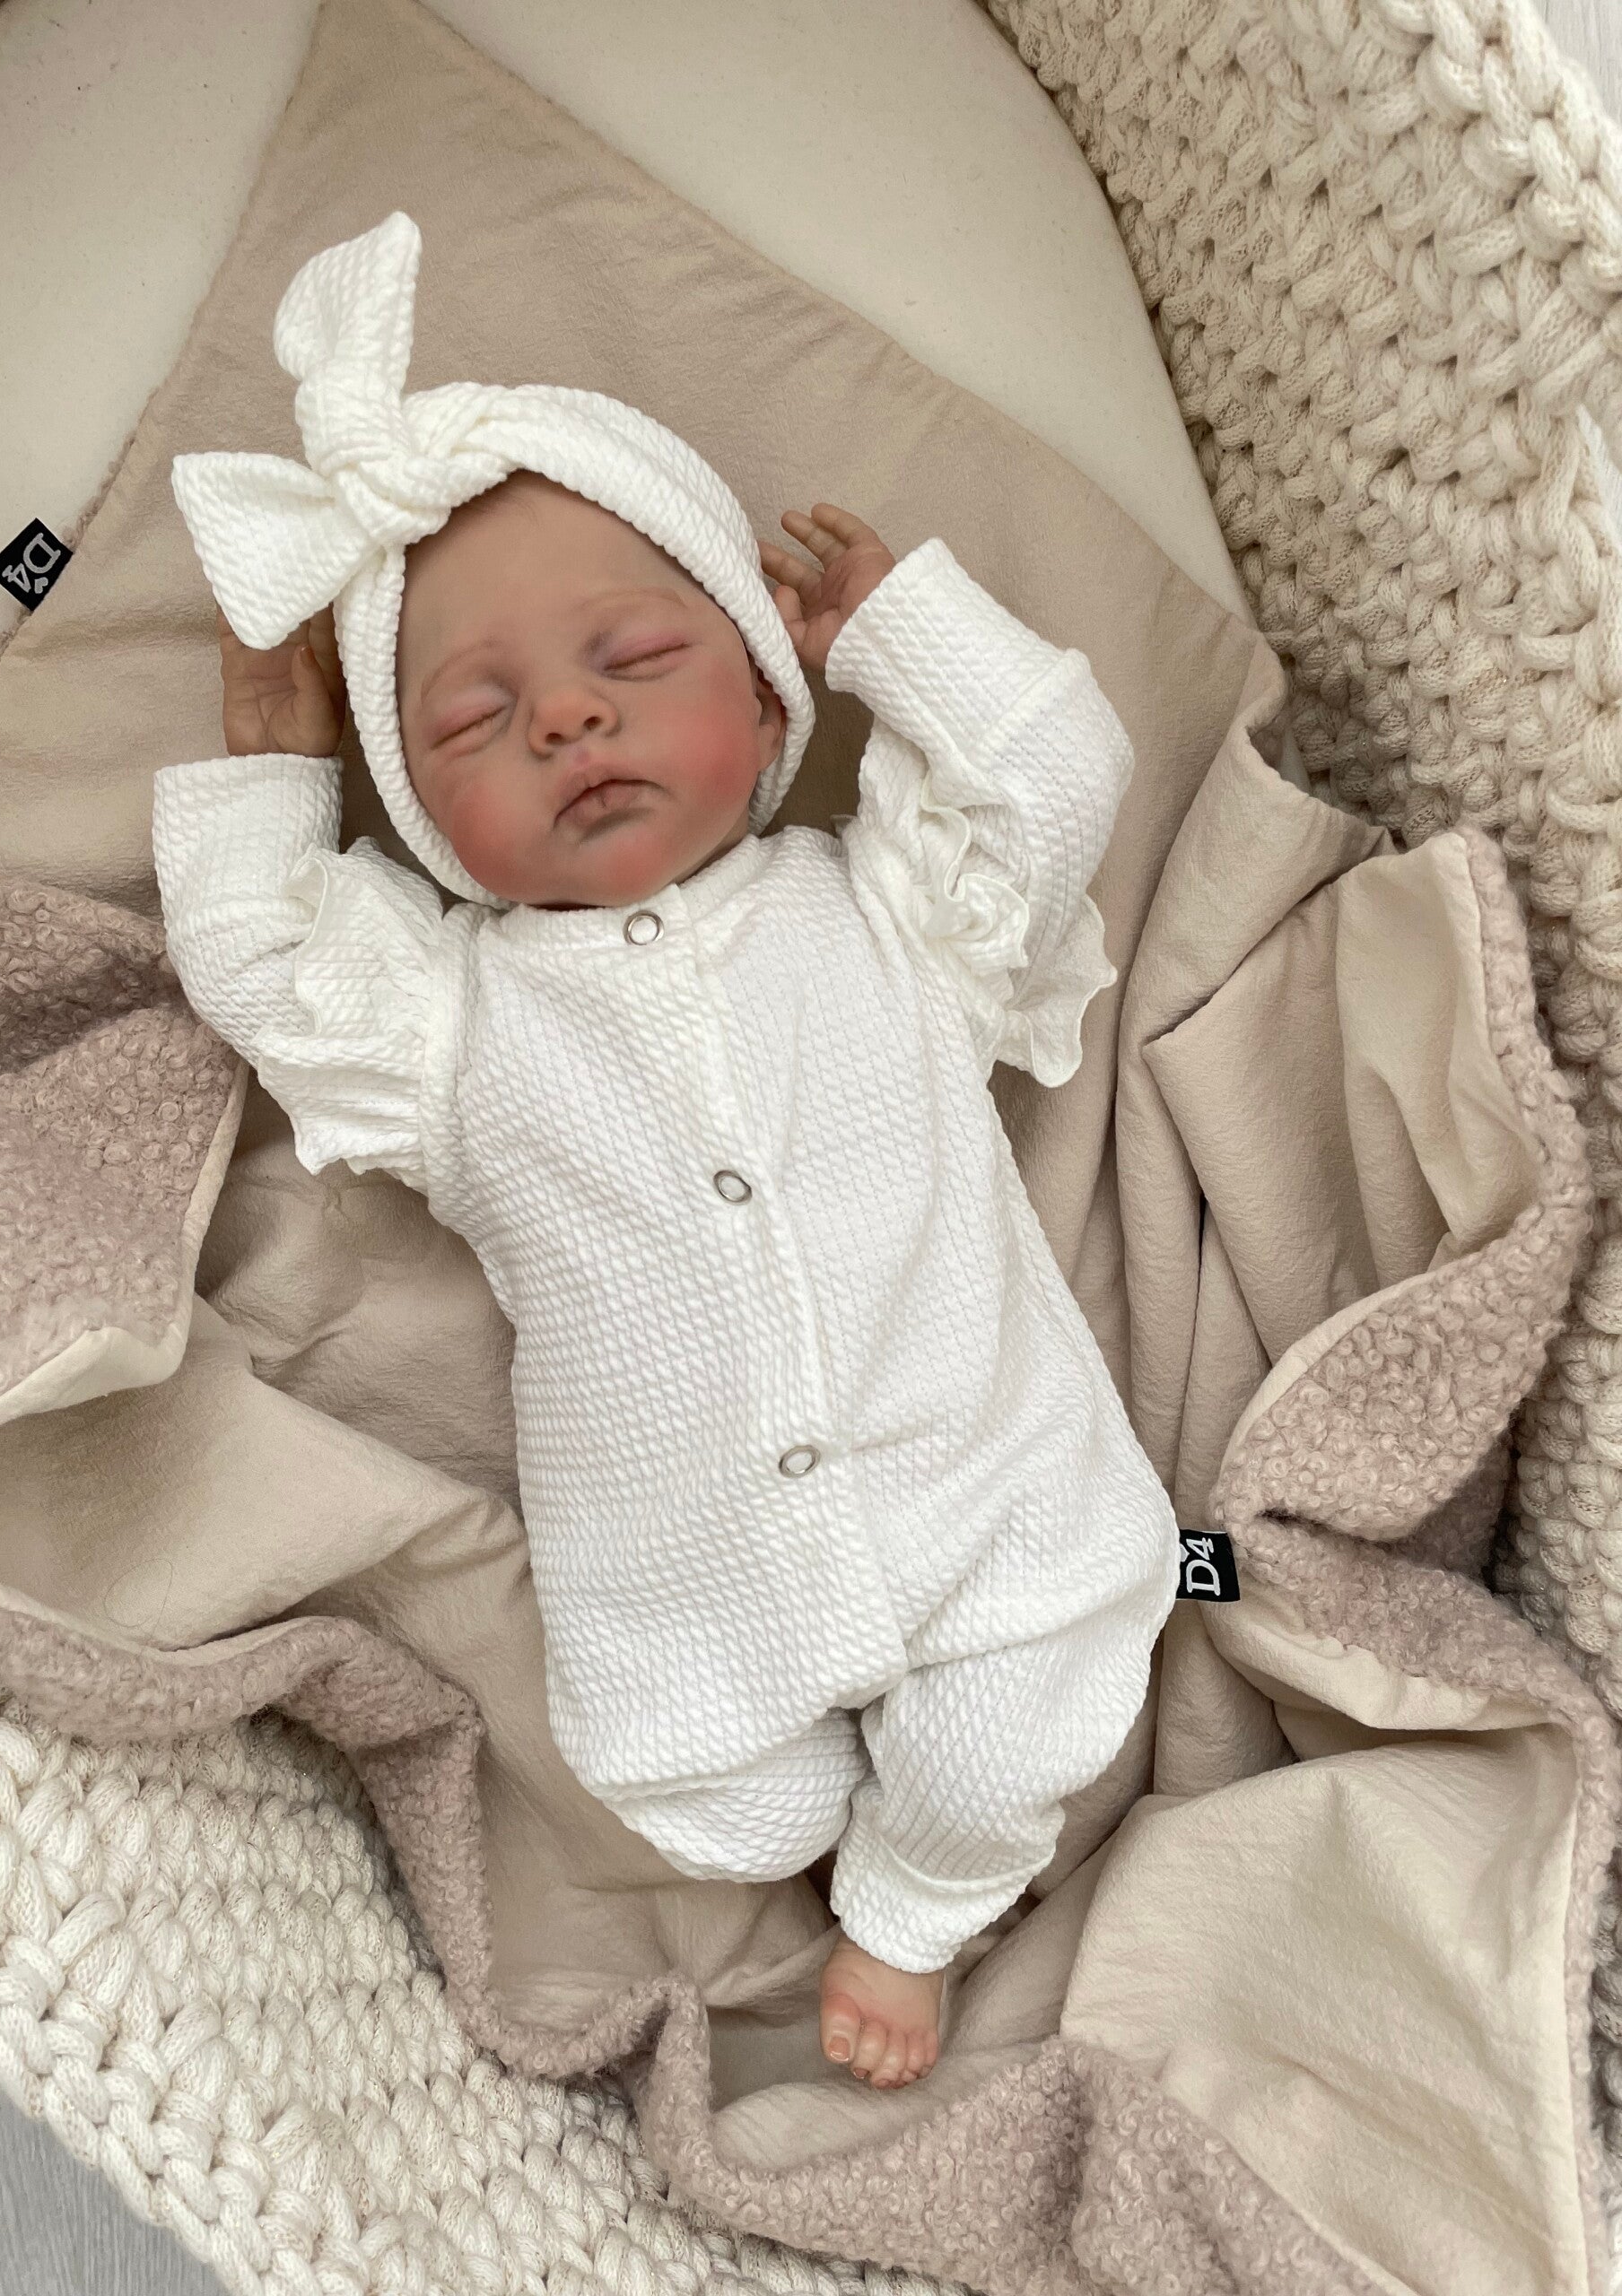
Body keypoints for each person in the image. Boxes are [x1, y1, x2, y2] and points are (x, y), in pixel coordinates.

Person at [153, 212, 1181, 2095]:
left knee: (1010, 1736)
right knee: (711, 1803)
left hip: (991, 1516)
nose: (566, 714)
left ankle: (913, 1912)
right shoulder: (453, 1017)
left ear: (773, 698)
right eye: (476, 718)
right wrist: (265, 760)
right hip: (687, 1593)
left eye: (633, 654)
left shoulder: (889, 908)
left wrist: (908, 636)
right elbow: (263, 970)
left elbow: (1053, 786)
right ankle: (816, 1840)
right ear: (427, 822)